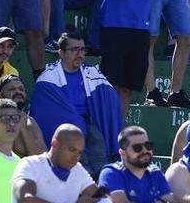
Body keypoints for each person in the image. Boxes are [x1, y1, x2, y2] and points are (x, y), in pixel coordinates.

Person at [30, 33, 123, 174]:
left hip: (91, 123)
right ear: (61, 52)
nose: (80, 54)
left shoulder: (91, 73)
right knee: (79, 135)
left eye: (82, 50)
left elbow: (108, 99)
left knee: (99, 150)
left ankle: (103, 181)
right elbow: (45, 113)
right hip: (67, 128)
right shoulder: (48, 78)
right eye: (74, 50)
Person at [97, 126, 182, 203]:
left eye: (148, 146)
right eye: (137, 148)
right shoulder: (110, 173)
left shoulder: (155, 172)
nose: (145, 151)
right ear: (122, 153)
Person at [10, 124, 101, 203]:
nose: (76, 157)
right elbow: (25, 201)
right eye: (72, 150)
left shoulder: (78, 169)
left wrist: (109, 195)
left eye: (80, 152)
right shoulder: (30, 164)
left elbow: (99, 196)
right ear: (55, 144)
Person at [0, 74, 46, 157]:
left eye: (21, 89)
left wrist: (23, 129)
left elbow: (42, 159)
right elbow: (0, 156)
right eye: (11, 89)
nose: (18, 92)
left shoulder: (30, 122)